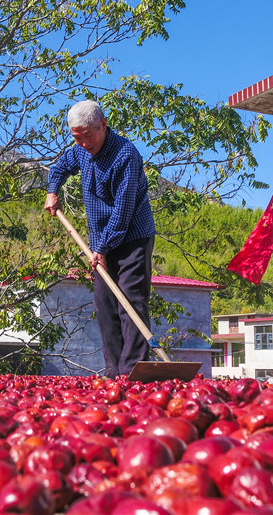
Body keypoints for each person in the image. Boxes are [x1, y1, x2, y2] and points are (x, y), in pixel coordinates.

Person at [45, 100, 156, 378]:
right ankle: (114, 372)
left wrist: (103, 249)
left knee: (130, 302)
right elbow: (59, 168)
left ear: (103, 125)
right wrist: (52, 190)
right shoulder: (80, 152)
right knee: (104, 304)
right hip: (101, 241)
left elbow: (122, 213)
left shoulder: (125, 156)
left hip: (132, 238)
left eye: (87, 136)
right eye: (76, 138)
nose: (83, 143)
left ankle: (133, 372)